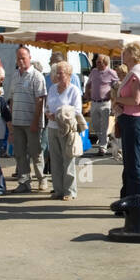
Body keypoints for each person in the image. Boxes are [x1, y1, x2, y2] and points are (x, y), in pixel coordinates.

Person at [116, 42, 140, 207]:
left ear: (132, 54)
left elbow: (136, 100)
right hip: (134, 119)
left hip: (132, 120)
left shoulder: (135, 73)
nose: (122, 55)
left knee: (133, 165)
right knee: (134, 164)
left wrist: (117, 98)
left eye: (125, 52)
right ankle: (137, 201)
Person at [6, 46, 47, 192]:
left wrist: (35, 122)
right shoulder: (14, 75)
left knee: (36, 153)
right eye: (18, 58)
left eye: (23, 57)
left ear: (29, 58)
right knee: (20, 153)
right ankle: (24, 182)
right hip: (17, 121)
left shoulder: (37, 76)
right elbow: (11, 99)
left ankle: (42, 179)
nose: (21, 60)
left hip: (32, 122)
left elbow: (40, 100)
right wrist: (11, 121)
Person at [45, 61, 84, 199]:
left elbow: (77, 110)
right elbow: (47, 106)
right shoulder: (52, 88)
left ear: (69, 74)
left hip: (66, 129)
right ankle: (58, 190)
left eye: (61, 72)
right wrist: (48, 113)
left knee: (67, 159)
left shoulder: (73, 90)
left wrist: (61, 114)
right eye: (57, 72)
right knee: (55, 160)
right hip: (52, 127)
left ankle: (69, 191)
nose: (58, 75)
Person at [84, 53, 118, 155]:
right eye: (96, 62)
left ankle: (102, 147)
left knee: (104, 126)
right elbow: (88, 84)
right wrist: (87, 94)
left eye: (98, 62)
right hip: (94, 102)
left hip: (105, 102)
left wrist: (115, 97)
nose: (96, 63)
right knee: (95, 124)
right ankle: (104, 140)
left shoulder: (111, 72)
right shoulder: (94, 71)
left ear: (105, 63)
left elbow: (117, 85)